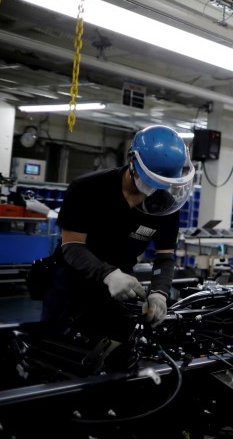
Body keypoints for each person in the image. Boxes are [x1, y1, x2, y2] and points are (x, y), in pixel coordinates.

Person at [42, 125, 195, 345]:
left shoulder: (165, 205)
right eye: (151, 180)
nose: (155, 189)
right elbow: (72, 246)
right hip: (72, 284)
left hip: (121, 289)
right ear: (132, 161)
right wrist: (109, 274)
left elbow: (164, 256)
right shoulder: (88, 188)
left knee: (116, 352)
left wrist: (160, 292)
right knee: (57, 351)